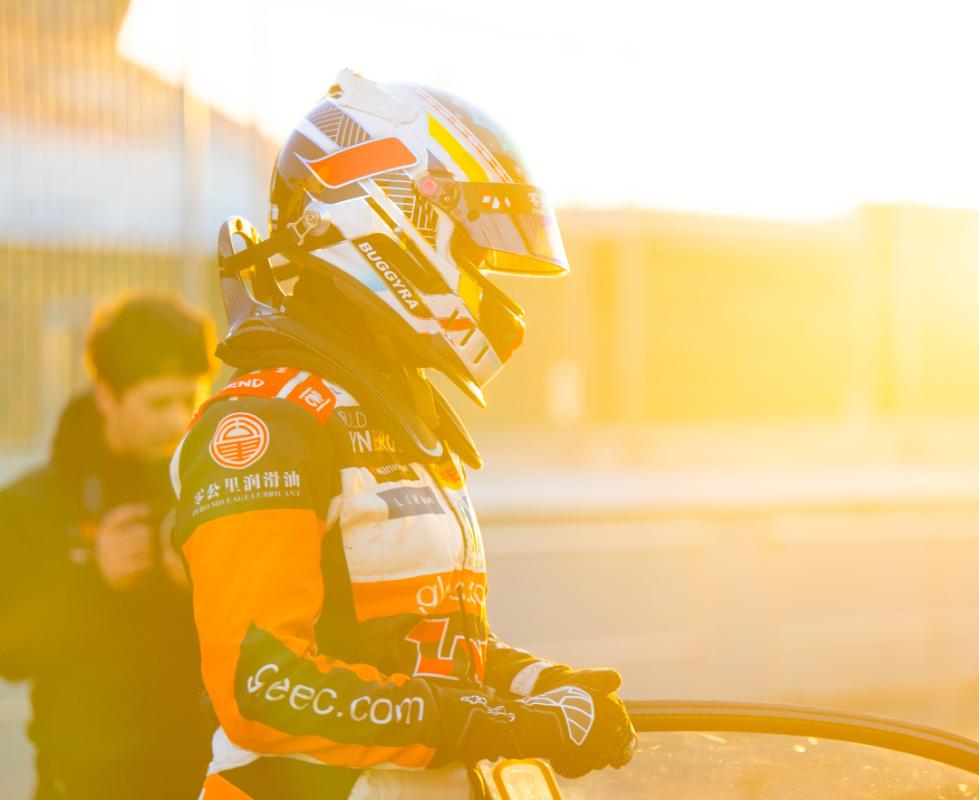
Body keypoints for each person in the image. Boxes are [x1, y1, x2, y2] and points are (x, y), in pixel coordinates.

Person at [172, 70, 636, 799]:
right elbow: (260, 686)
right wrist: (487, 723)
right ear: (389, 217)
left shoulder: (392, 410)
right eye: (473, 252)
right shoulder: (265, 421)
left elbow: (423, 648)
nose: (482, 280)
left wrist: (538, 686)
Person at [0, 295, 217, 799]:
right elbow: (9, 654)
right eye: (158, 403)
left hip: (203, 773)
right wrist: (94, 578)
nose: (177, 419)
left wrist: (203, 581)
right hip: (83, 779)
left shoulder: (213, 491)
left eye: (190, 398)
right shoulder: (33, 503)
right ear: (106, 396)